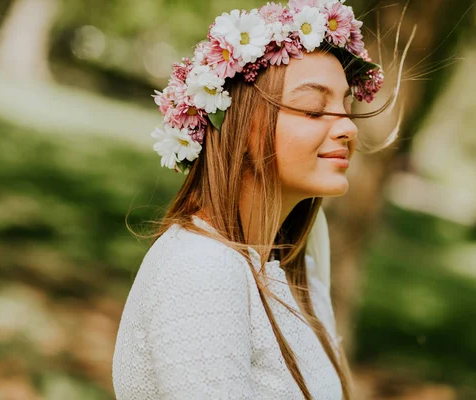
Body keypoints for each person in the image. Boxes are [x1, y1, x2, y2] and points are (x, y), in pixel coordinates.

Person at [112, 1, 395, 398]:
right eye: (315, 109)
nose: (347, 126)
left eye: (346, 107)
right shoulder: (201, 268)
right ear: (241, 126)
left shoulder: (300, 264)